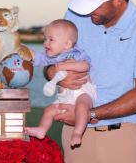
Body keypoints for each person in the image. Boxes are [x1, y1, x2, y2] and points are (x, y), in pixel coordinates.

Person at [45, 0, 136, 162]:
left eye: (96, 5)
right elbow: (51, 63)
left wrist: (88, 115)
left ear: (117, 0)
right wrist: (52, 74)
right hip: (75, 136)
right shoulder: (75, 14)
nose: (89, 12)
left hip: (122, 138)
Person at [24, 19, 97, 147]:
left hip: (83, 92)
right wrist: (24, 51)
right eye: (45, 39)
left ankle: (78, 133)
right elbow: (36, 57)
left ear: (67, 44)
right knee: (49, 110)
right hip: (64, 97)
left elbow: (85, 66)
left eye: (51, 40)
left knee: (82, 108)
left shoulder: (76, 54)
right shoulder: (50, 57)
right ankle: (42, 129)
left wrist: (65, 65)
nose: (45, 43)